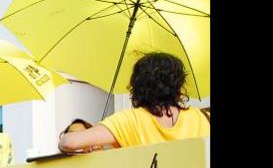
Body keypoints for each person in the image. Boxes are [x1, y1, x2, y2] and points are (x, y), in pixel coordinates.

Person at [58, 52, 210, 152]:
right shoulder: (203, 118)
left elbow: (68, 142)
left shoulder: (129, 120)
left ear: (137, 85)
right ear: (178, 84)